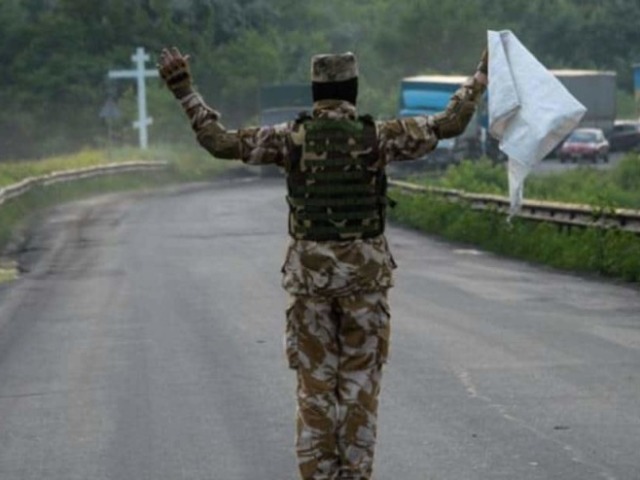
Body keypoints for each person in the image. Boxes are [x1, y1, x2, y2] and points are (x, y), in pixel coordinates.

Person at [157, 46, 488, 480]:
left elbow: (219, 143)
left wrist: (184, 91)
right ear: (353, 88)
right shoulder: (380, 135)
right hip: (365, 284)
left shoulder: (287, 138)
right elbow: (450, 124)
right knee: (359, 391)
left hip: (310, 284)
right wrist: (479, 77)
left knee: (314, 392)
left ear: (315, 92)